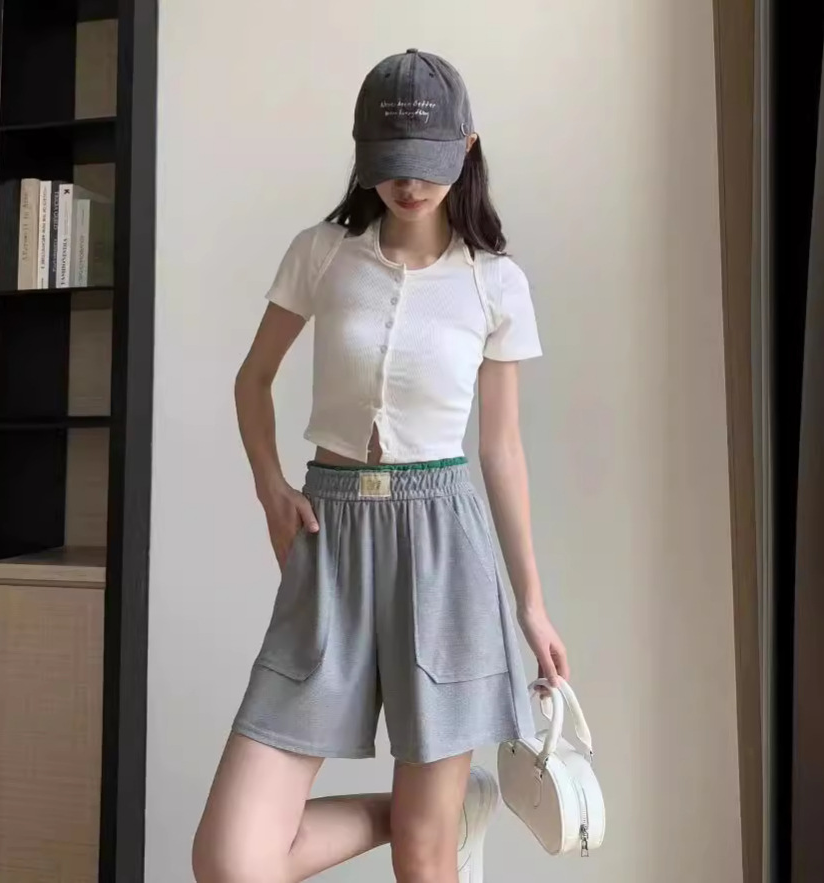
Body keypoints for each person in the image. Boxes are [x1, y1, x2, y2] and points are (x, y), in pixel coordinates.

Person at [193, 49, 569, 883]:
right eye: (391, 164)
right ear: (364, 155)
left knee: (423, 860)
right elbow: (253, 379)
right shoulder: (322, 253)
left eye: (427, 163)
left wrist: (531, 604)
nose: (408, 184)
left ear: (465, 148)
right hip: (329, 536)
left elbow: (500, 449)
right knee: (232, 861)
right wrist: (270, 489)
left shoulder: (495, 284)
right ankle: (441, 805)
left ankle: (430, 818)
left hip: (443, 548)